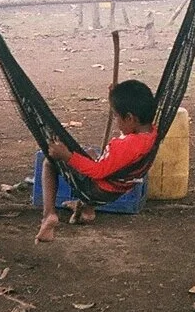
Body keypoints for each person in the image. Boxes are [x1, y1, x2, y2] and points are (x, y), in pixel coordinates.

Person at [36, 79, 157, 243]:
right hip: (117, 186)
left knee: (49, 162)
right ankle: (87, 211)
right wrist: (114, 96)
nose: (115, 120)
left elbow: (97, 171)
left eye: (116, 116)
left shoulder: (124, 146)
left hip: (97, 190)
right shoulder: (153, 134)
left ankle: (48, 215)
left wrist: (66, 156)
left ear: (129, 118)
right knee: (91, 153)